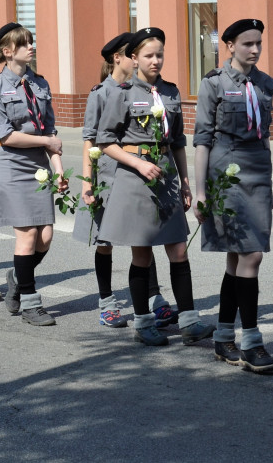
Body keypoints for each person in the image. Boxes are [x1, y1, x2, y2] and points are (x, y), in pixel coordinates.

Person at [95, 27, 216, 346]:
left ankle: (189, 321)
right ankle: (144, 322)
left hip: (165, 178)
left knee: (178, 248)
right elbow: (105, 140)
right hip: (134, 179)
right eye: (149, 55)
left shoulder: (172, 93)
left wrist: (186, 183)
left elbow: (177, 142)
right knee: (143, 254)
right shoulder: (122, 92)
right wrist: (137, 163)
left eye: (160, 54)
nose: (155, 60)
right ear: (134, 58)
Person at [194, 18, 273, 373]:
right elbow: (202, 141)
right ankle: (252, 343)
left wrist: (269, 187)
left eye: (258, 43)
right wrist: (200, 192)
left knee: (236, 259)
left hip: (258, 174)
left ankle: (222, 336)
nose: (255, 49)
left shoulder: (265, 83)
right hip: (225, 174)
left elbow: (265, 138)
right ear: (229, 45)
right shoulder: (213, 83)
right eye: (247, 44)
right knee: (252, 255)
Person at [72, 33, 176, 329]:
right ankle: (106, 302)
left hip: (133, 175)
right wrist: (87, 181)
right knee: (104, 241)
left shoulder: (145, 91)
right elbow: (89, 139)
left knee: (142, 238)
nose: (136, 59)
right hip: (107, 175)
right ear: (118, 58)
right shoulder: (101, 93)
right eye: (130, 54)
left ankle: (155, 298)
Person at [0, 22, 64, 326]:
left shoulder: (40, 84)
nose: (32, 47)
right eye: (25, 43)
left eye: (31, 41)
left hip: (38, 165)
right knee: (28, 234)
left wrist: (57, 171)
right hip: (10, 163)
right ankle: (30, 302)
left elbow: (51, 130)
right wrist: (46, 142)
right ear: (7, 52)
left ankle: (17, 275)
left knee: (45, 237)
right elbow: (5, 135)